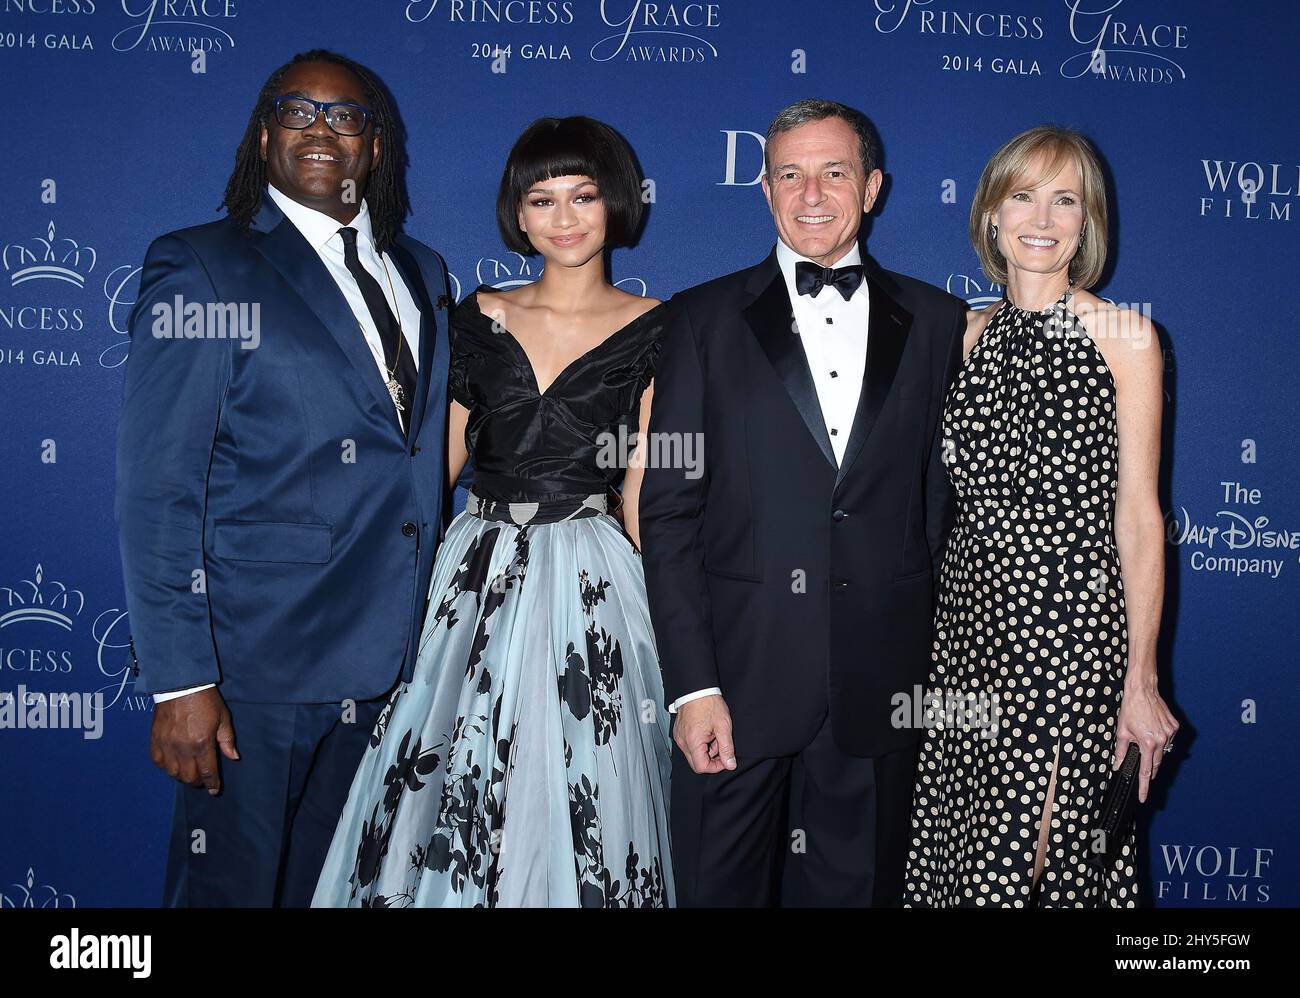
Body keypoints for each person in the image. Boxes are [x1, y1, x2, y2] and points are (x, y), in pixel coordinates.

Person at [115, 50, 452, 907]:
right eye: (297, 111)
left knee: (331, 892)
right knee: (228, 892)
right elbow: (160, 487)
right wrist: (183, 681)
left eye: (345, 116)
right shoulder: (201, 266)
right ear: (264, 134)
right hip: (252, 670)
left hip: (389, 664)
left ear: (375, 147)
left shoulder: (424, 273)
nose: (321, 131)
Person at [312, 116, 675, 908]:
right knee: (445, 771)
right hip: (472, 569)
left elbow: (645, 490)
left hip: (594, 573)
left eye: (583, 195)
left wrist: (680, 623)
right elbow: (432, 472)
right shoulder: (474, 317)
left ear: (616, 201)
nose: (566, 217)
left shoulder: (661, 328)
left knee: (582, 773)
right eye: (542, 199)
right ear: (517, 212)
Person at [638, 99, 965, 907]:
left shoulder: (938, 321)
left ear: (874, 185)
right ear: (764, 186)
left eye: (834, 172)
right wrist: (691, 687)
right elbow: (668, 514)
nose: (811, 194)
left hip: (880, 689)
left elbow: (939, 512)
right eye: (790, 173)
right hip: (735, 689)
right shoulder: (699, 321)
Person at [904, 126, 1179, 907]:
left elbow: (1138, 517)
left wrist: (1142, 677)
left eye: (1066, 200)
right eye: (1023, 195)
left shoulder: (1125, 338)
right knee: (964, 854)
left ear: (1088, 221)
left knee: (1044, 860)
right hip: (965, 627)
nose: (1043, 217)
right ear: (991, 214)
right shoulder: (961, 338)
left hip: (1070, 632)